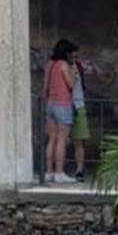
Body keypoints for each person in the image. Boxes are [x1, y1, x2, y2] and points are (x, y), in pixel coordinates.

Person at [42, 39, 78, 184]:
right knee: (62, 139)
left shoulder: (49, 65)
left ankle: (49, 171)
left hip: (50, 103)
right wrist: (74, 73)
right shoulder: (63, 65)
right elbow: (71, 85)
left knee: (52, 138)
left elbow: (45, 86)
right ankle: (59, 172)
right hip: (63, 104)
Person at [69, 47, 90, 182]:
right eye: (72, 57)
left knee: (79, 141)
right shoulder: (64, 68)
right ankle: (56, 170)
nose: (74, 59)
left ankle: (79, 170)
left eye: (76, 57)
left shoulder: (79, 68)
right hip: (66, 105)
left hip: (78, 105)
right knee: (61, 139)